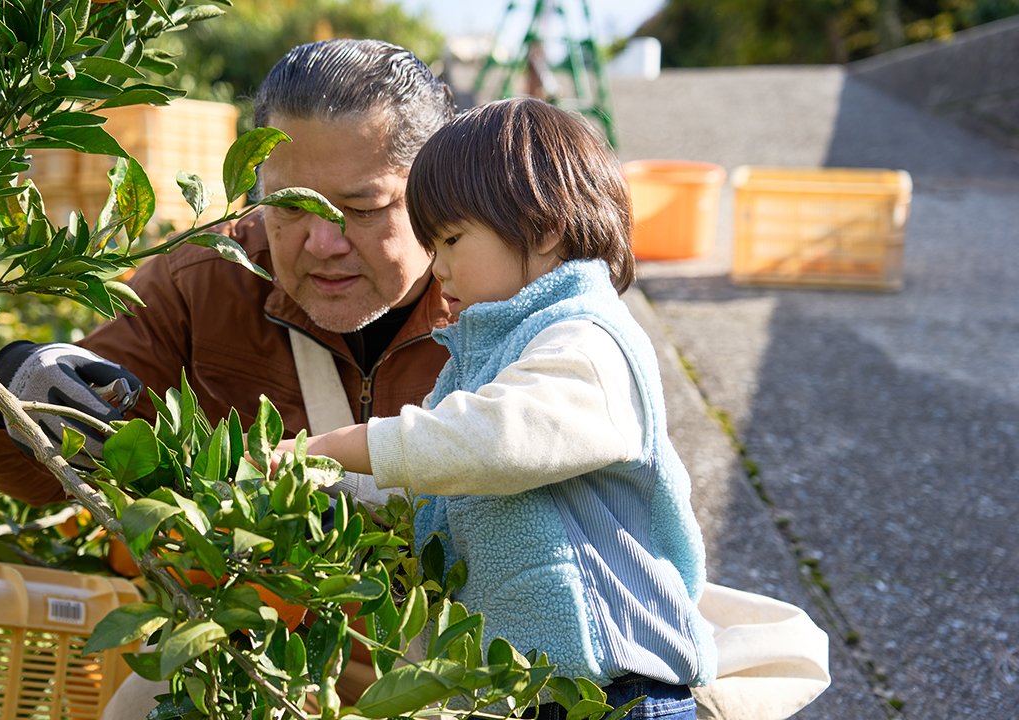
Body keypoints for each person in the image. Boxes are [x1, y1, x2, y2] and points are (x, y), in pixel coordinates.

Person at [0, 38, 456, 718]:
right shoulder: (207, 281)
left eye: (361, 208)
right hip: (254, 661)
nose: (323, 243)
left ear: (432, 190)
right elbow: (41, 474)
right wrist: (16, 389)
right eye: (291, 206)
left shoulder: (498, 297)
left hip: (460, 673)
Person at [274, 98, 718, 720]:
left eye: (452, 240)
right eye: (432, 244)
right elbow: (428, 490)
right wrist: (319, 487)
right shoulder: (482, 356)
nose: (440, 266)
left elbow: (495, 442)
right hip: (518, 692)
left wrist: (336, 446)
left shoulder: (589, 341)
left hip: (614, 690)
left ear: (544, 229)